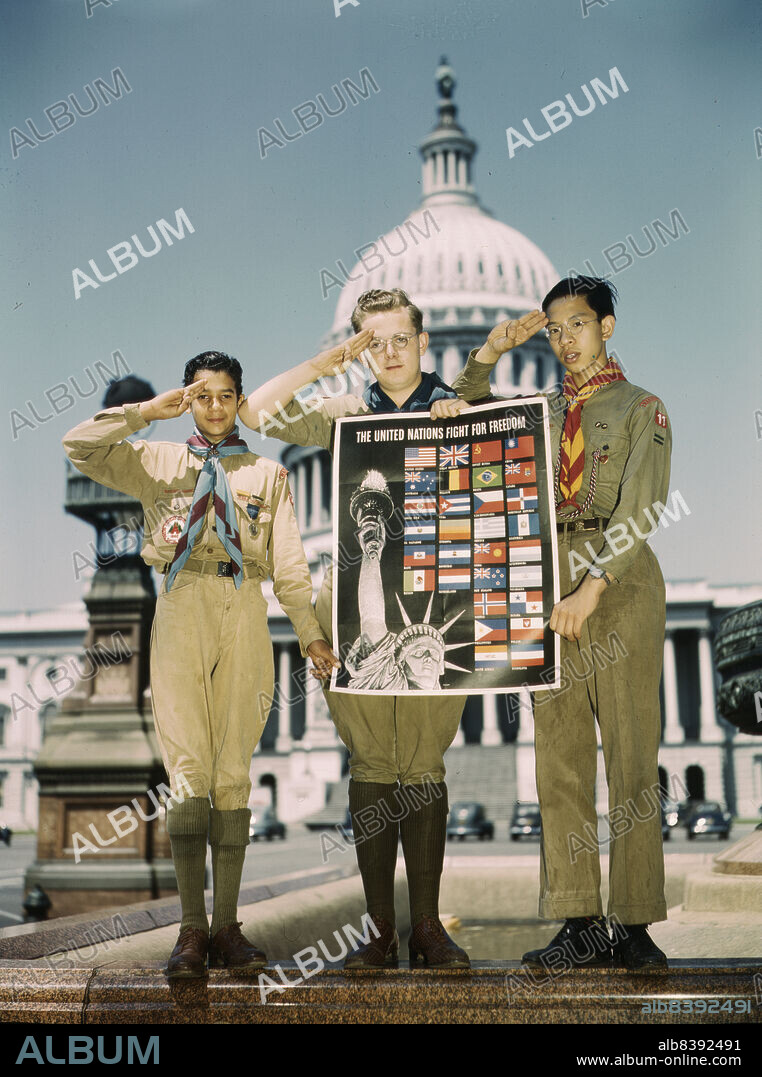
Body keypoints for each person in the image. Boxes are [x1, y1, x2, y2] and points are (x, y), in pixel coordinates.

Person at [239, 288, 540, 969]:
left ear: (424, 341)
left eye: (402, 337)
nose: (391, 352)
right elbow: (257, 411)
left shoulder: (458, 405)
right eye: (374, 342)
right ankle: (380, 929)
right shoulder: (347, 412)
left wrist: (468, 419)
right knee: (372, 765)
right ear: (359, 349)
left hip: (438, 605)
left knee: (424, 765)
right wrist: (328, 363)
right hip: (350, 603)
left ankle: (427, 925)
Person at [63, 351, 342, 980]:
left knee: (232, 771)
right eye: (202, 395)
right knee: (186, 769)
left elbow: (293, 570)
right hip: (181, 603)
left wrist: (310, 637)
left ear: (240, 400)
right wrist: (142, 413)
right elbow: (77, 446)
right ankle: (191, 929)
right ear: (189, 398)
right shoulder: (155, 461)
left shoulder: (267, 473)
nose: (215, 407)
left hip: (244, 606)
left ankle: (228, 926)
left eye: (226, 396)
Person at [452, 277, 672, 971]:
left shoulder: (642, 407)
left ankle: (635, 924)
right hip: (549, 578)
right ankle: (579, 919)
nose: (564, 338)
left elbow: (643, 502)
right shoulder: (540, 414)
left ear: (606, 326)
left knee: (633, 757)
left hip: (622, 576)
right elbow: (467, 411)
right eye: (553, 328)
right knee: (560, 761)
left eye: (576, 323)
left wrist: (595, 584)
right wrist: (489, 352)